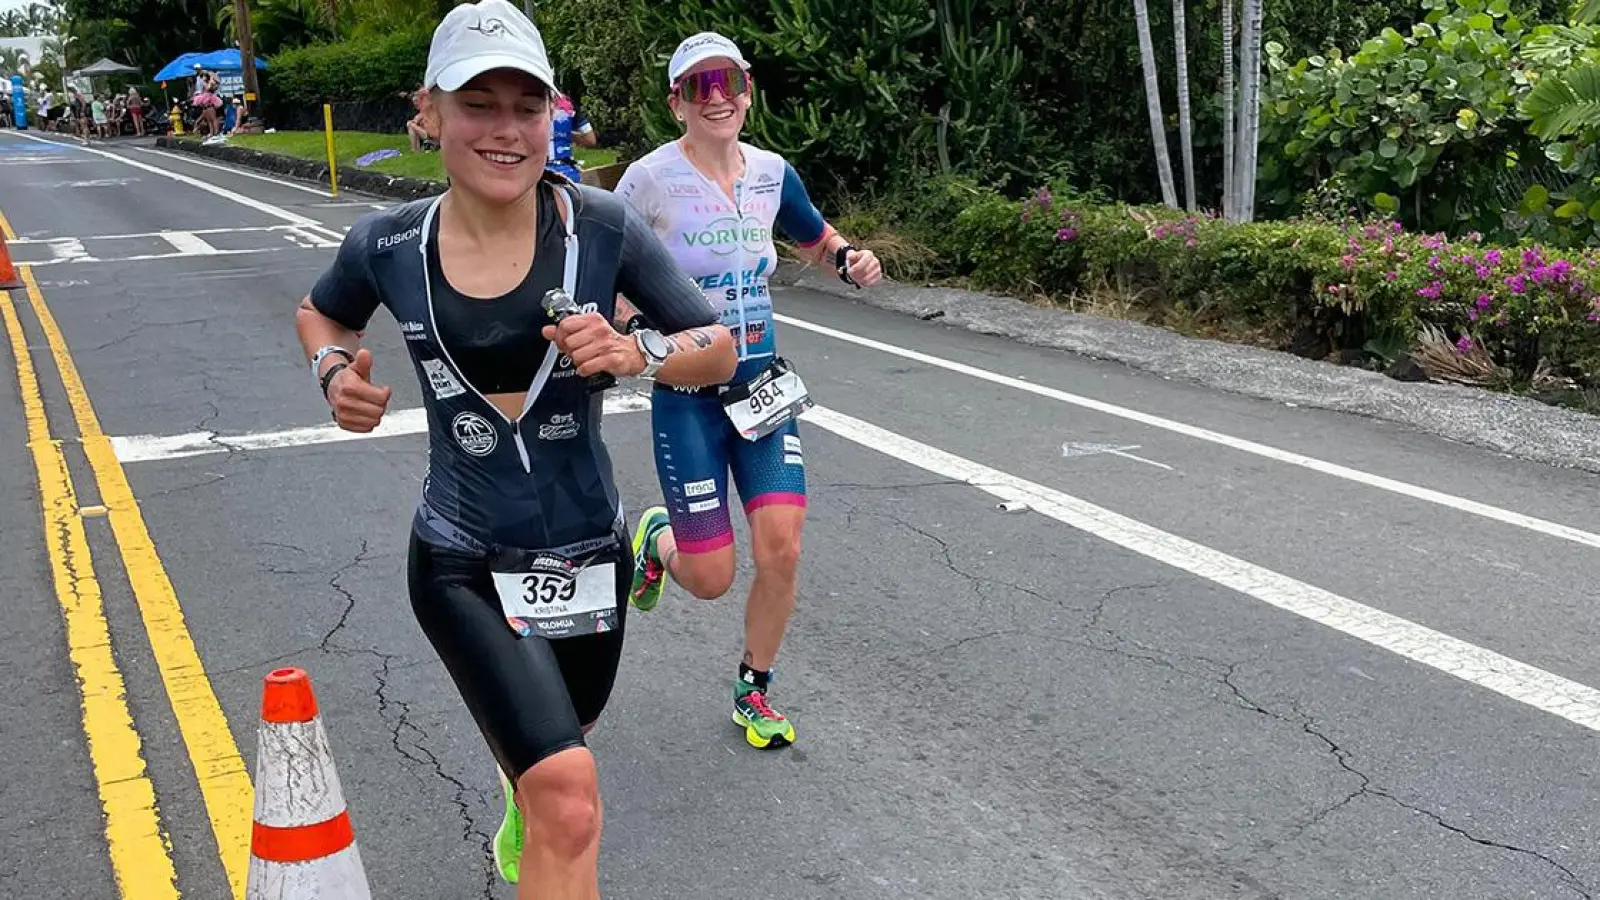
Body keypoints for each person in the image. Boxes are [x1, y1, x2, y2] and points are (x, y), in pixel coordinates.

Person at [291, 2, 737, 895]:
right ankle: (533, 789)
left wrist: (635, 351)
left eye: (526, 106)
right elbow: (322, 313)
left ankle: (522, 786)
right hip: (459, 558)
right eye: (476, 104)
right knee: (570, 797)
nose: (505, 130)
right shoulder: (388, 243)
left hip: (588, 552)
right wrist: (335, 370)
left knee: (557, 762)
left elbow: (717, 348)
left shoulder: (601, 229)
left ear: (554, 114)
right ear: (429, 114)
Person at [613, 31, 883, 750]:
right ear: (676, 103)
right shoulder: (646, 181)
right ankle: (657, 538)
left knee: (783, 547)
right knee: (707, 578)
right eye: (698, 85)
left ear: (748, 89)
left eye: (727, 80)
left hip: (761, 388)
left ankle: (753, 689)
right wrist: (636, 330)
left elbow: (814, 237)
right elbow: (606, 274)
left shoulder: (771, 172)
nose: (717, 96)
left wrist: (847, 257)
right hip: (688, 391)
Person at [546, 90, 595, 182]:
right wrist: (566, 134)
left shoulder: (526, 103)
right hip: (568, 174)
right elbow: (590, 139)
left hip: (538, 174)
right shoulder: (568, 104)